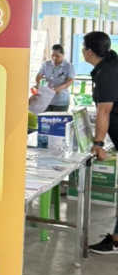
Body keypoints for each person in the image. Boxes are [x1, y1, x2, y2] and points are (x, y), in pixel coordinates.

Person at [82, 31, 118, 255]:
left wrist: (99, 143)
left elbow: (104, 111)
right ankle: (115, 239)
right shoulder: (107, 68)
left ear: (89, 51)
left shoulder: (106, 73)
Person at [35, 44, 75, 111]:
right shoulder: (46, 64)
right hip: (47, 98)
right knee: (45, 117)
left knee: (59, 117)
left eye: (57, 56)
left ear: (63, 55)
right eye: (52, 56)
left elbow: (70, 81)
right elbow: (39, 76)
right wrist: (38, 85)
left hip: (61, 100)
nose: (54, 58)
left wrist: (59, 88)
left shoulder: (69, 66)